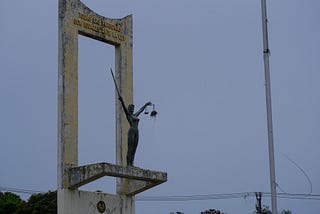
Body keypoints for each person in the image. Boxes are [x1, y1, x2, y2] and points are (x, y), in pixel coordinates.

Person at [118, 96, 152, 166]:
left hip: (137, 132)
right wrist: (122, 101)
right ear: (129, 109)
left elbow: (141, 110)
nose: (132, 110)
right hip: (132, 131)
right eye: (131, 108)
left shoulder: (135, 115)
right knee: (130, 148)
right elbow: (124, 108)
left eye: (133, 108)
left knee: (134, 149)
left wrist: (146, 104)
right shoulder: (129, 116)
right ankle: (128, 164)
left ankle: (131, 164)